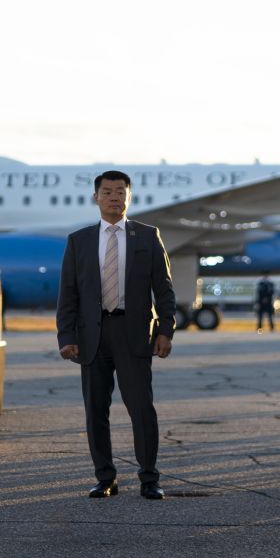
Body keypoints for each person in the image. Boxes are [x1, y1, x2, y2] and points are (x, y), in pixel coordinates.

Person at [56, 170, 176, 500]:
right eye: (107, 192)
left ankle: (149, 479)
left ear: (129, 197)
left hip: (134, 333)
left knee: (141, 409)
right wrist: (66, 336)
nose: (114, 197)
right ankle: (105, 477)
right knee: (96, 410)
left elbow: (164, 290)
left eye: (120, 192)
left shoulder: (148, 236)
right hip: (92, 335)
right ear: (96, 197)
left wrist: (166, 330)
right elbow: (68, 293)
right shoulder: (78, 241)